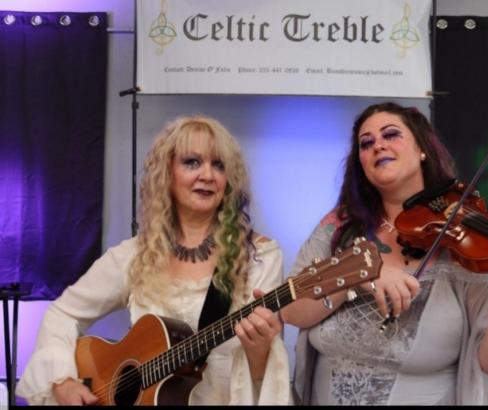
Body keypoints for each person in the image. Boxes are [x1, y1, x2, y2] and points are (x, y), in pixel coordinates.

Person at [280, 102, 488, 405]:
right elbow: (290, 311)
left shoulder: (466, 241)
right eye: (366, 143)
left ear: (421, 149)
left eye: (391, 135)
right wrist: (358, 272)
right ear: (361, 163)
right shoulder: (339, 226)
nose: (378, 145)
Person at [16, 115, 291, 405]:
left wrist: (260, 351)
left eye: (219, 165)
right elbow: (62, 314)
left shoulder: (259, 257)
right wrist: (62, 380)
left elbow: (261, 380)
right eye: (192, 162)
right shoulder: (135, 255)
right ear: (167, 173)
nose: (208, 175)